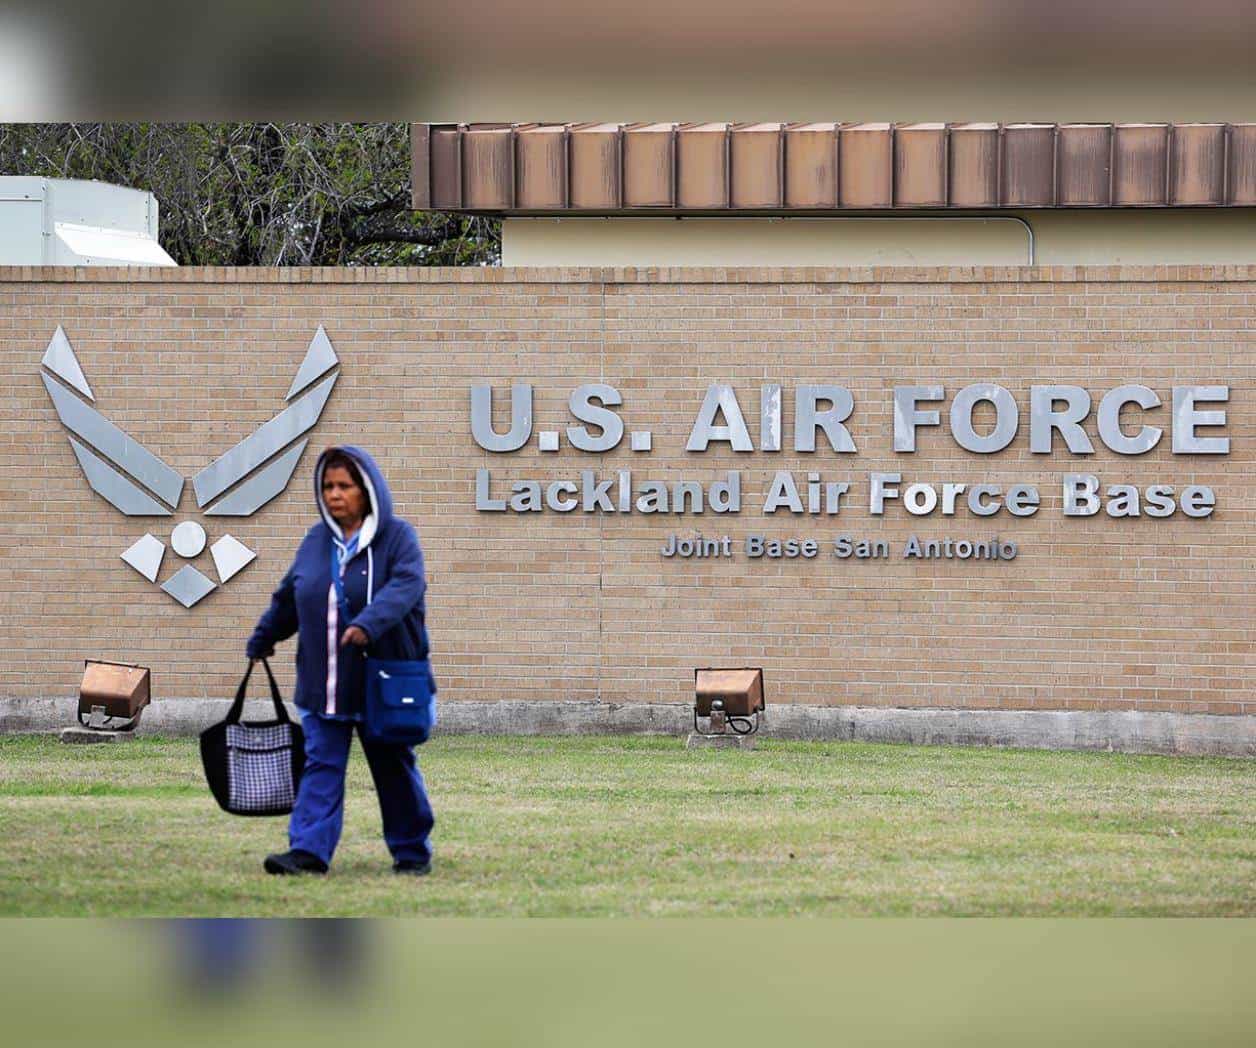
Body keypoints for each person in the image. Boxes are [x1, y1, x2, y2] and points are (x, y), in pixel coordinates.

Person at [246, 446, 435, 876]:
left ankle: (411, 852)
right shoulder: (316, 540)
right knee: (320, 768)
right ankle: (309, 852)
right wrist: (264, 636)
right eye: (328, 486)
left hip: (380, 684)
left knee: (394, 771)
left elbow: (408, 585)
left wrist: (369, 623)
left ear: (367, 490)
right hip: (323, 682)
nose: (334, 494)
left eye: (344, 486)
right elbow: (291, 594)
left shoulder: (398, 538)